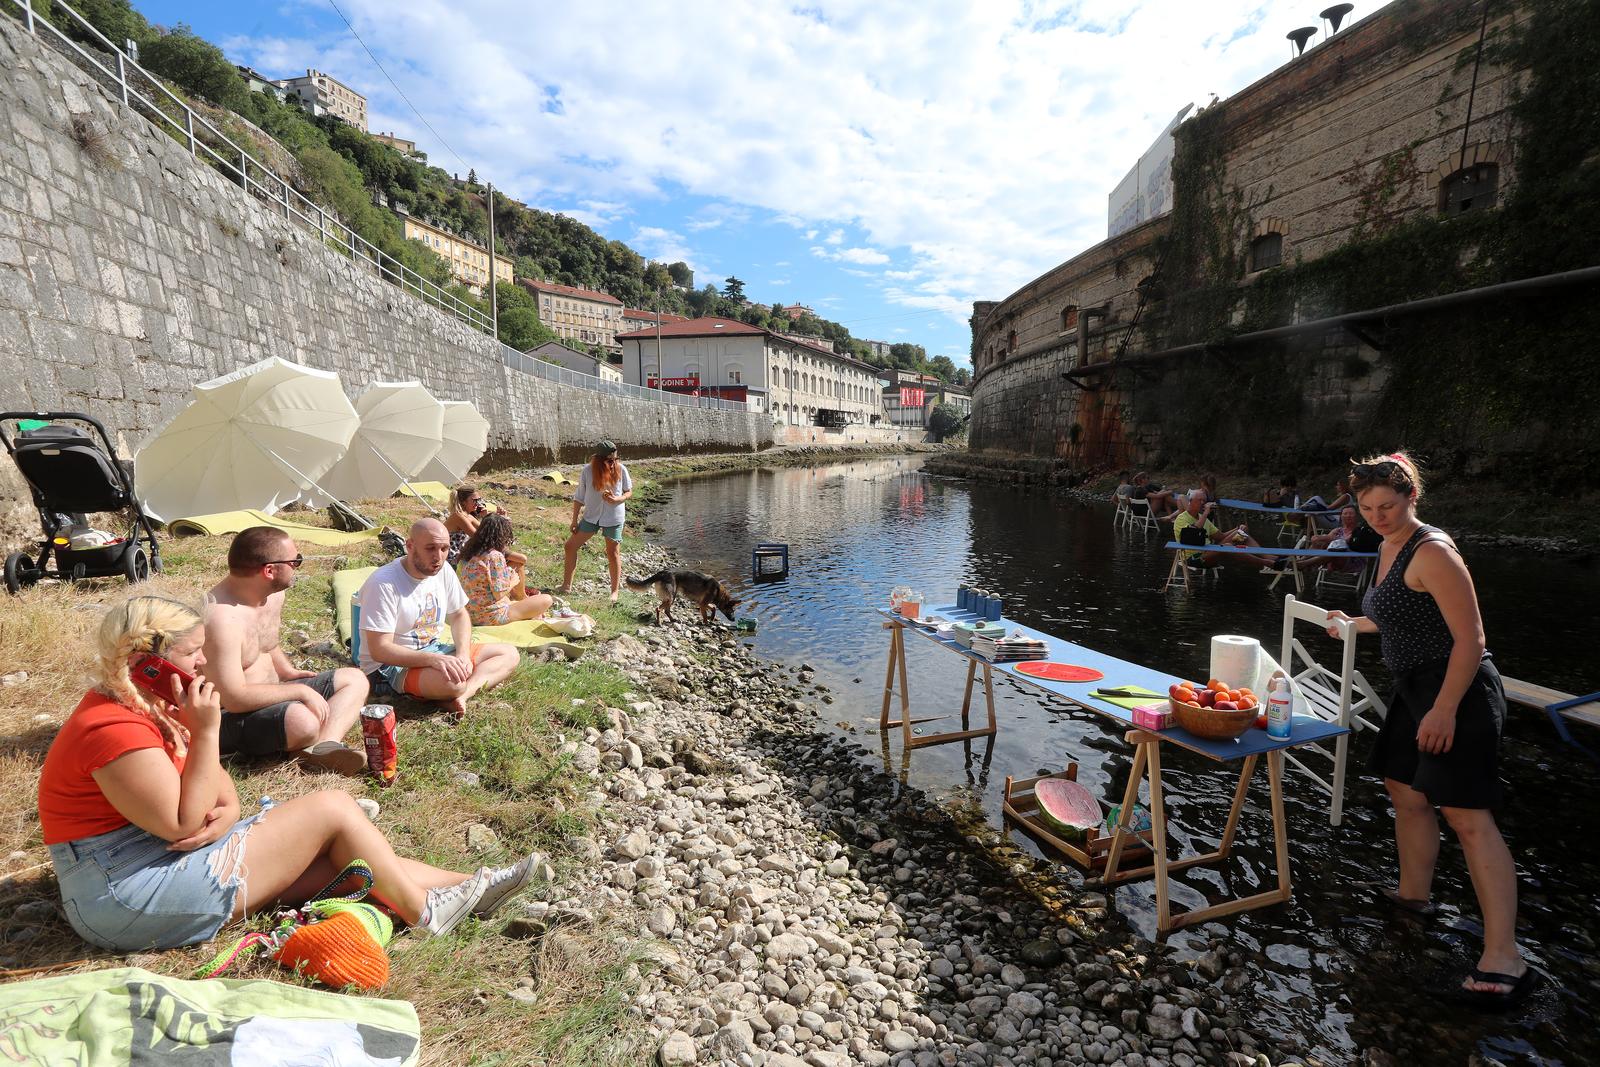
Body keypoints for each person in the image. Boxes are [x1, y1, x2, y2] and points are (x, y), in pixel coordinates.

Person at [37, 596, 539, 952]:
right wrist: (207, 732)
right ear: (144, 662)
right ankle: (427, 914)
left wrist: (227, 809)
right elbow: (182, 823)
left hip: (153, 860)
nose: (205, 662)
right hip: (122, 894)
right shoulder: (111, 727)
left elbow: (218, 793)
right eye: (193, 654)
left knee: (343, 862)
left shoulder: (153, 705)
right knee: (333, 810)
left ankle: (476, 887)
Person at [1325, 452, 1530, 1008]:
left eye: (1388, 506)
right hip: (1414, 688)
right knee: (1406, 793)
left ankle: (1504, 955)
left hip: (1455, 692)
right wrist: (1355, 622)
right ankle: (1413, 897)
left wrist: (1443, 710)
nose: (1377, 517)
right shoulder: (1387, 546)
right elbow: (1401, 612)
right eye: (1366, 508)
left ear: (1412, 497)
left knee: (1467, 817)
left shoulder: (1434, 551)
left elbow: (1472, 640)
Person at [203, 528, 369, 775]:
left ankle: (322, 748)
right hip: (230, 715)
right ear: (269, 570)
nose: (298, 566)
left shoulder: (272, 595)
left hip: (275, 693)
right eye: (295, 561)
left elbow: (267, 644)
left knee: (355, 679)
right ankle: (306, 740)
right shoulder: (221, 620)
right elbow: (233, 698)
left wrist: (287, 671)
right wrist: (300, 691)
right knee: (302, 721)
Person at [358, 519, 519, 718]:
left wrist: (462, 654)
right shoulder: (384, 583)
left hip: (434, 650)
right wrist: (434, 660)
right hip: (391, 668)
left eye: (444, 549)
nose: (438, 557)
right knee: (454, 682)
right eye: (430, 548)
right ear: (409, 546)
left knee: (509, 653)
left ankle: (462, 696)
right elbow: (380, 650)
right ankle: (453, 690)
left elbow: (459, 615)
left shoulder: (442, 571)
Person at [558, 441, 633, 603]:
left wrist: (617, 499)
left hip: (613, 517)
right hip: (591, 517)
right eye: (609, 460)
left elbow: (628, 492)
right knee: (570, 546)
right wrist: (574, 520)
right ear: (598, 460)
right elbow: (579, 497)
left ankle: (614, 592)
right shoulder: (587, 471)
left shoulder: (621, 469)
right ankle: (566, 586)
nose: (613, 463)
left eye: (615, 459)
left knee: (613, 553)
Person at [458, 514, 554, 626]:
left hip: (468, 613)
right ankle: (528, 608)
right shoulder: (494, 556)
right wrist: (512, 581)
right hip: (489, 617)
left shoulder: (469, 553)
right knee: (547, 599)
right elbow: (498, 594)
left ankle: (527, 607)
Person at [1172, 490, 1282, 569]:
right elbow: (1193, 532)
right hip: (1194, 558)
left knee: (1241, 533)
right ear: (1191, 501)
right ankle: (1265, 563)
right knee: (1228, 547)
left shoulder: (1202, 518)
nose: (1202, 503)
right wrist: (1206, 513)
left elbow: (1220, 536)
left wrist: (1238, 528)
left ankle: (1268, 556)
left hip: (1210, 553)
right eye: (1199, 500)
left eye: (1204, 501)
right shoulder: (1182, 519)